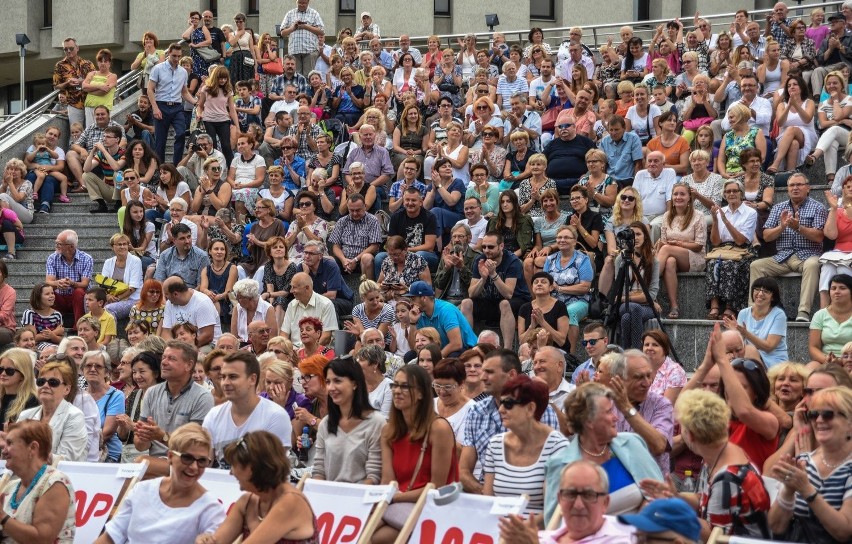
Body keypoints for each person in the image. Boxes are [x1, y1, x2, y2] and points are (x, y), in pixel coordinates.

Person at [641, 389, 771, 539]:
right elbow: (703, 499)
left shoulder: (727, 479)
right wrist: (674, 496)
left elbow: (713, 536)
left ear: (689, 435)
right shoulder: (721, 454)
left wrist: (671, 510)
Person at [543, 383, 664, 520]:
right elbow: (554, 525)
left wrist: (645, 512)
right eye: (608, 412)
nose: (615, 417)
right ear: (589, 420)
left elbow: (659, 494)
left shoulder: (632, 443)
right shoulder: (560, 465)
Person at [371, 365, 458, 543]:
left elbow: (437, 487)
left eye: (405, 387)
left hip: (431, 507)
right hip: (397, 504)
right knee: (361, 532)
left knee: (375, 539)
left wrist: (396, 497)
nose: (397, 391)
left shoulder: (438, 428)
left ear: (420, 394)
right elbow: (387, 481)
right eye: (394, 385)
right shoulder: (388, 430)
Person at [100, 423, 225, 543]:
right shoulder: (142, 490)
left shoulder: (210, 509)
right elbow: (111, 537)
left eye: (202, 461)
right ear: (170, 457)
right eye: (187, 458)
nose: (194, 467)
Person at [196, 430, 317, 544]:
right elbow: (217, 541)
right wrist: (206, 539)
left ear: (252, 468)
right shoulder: (247, 502)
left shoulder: (291, 502)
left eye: (234, 465)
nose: (231, 472)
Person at [767, 386, 852, 543]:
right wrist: (787, 491)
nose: (819, 420)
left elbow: (844, 531)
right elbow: (776, 527)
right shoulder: (803, 461)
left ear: (849, 422)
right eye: (813, 414)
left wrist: (807, 490)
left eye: (828, 414)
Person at [750, 173, 827, 322]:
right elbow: (766, 236)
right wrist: (782, 226)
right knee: (755, 265)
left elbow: (819, 236)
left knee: (813, 264)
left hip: (808, 255)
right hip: (782, 257)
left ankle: (803, 312)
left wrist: (798, 227)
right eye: (792, 185)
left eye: (799, 185)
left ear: (808, 188)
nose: (795, 188)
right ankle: (756, 309)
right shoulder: (779, 207)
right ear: (787, 189)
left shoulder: (818, 207)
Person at [133, 341, 214, 478]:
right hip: (157, 462)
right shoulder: (152, 392)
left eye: (171, 358)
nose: (164, 362)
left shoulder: (202, 397)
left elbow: (195, 449)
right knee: (137, 466)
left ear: (188, 365)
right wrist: (143, 436)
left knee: (140, 464)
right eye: (164, 357)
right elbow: (140, 447)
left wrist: (162, 436)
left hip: (188, 462)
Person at [201, 351, 291, 469]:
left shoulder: (276, 415)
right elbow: (204, 464)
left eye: (233, 377)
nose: (225, 383)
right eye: (223, 377)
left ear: (252, 379)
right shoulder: (213, 415)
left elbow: (273, 471)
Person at [310, 357, 385, 484]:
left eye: (337, 381)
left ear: (355, 383)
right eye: (328, 382)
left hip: (361, 498)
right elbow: (319, 470)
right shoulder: (325, 424)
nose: (331, 388)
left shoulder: (376, 422)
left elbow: (374, 475)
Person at [0, 420, 77, 543]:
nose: (3, 451)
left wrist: (2, 517)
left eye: (10, 443)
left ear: (33, 448)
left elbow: (42, 540)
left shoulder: (55, 483)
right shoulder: (11, 486)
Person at [461, 231, 531, 350]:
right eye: (484, 247)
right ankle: (468, 347)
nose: (486, 250)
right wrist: (483, 279)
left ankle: (507, 350)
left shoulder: (512, 261)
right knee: (466, 303)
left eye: (491, 247)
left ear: (501, 246)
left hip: (516, 301)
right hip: (491, 300)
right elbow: (472, 293)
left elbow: (508, 294)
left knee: (504, 303)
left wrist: (493, 274)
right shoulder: (480, 260)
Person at [705, 179, 759, 319]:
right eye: (728, 191)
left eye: (735, 191)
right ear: (724, 195)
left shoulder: (750, 213)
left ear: (741, 194)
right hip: (723, 249)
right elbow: (715, 242)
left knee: (731, 264)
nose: (731, 194)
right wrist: (716, 221)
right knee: (712, 263)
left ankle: (731, 306)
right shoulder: (720, 211)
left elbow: (741, 240)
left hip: (743, 250)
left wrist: (726, 221)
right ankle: (714, 305)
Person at [18, 361, 88, 461]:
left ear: (67, 389)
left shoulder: (74, 416)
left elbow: (66, 458)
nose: (45, 385)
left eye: (53, 382)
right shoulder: (25, 415)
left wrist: (28, 453)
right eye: (41, 382)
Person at [657, 182, 706, 318]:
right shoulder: (667, 216)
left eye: (682, 194)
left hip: (694, 257)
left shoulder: (698, 215)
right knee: (670, 262)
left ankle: (649, 286)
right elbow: (664, 241)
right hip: (673, 256)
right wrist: (667, 245)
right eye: (675, 194)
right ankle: (674, 306)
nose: (678, 197)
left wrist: (678, 244)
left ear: (689, 197)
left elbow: (699, 245)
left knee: (667, 249)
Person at [147, 43, 198, 164]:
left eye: (178, 56)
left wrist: (195, 102)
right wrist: (155, 108)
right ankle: (161, 169)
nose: (176, 59)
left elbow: (184, 92)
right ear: (168, 53)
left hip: (177, 107)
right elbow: (150, 89)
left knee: (181, 134)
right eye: (174, 56)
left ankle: (177, 166)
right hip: (161, 105)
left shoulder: (183, 72)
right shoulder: (158, 68)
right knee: (160, 141)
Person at [615, 222, 661, 349]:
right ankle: (637, 352)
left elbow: (652, 294)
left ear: (645, 236)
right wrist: (641, 297)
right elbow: (618, 291)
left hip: (647, 307)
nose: (635, 238)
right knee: (633, 309)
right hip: (626, 305)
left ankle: (628, 354)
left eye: (638, 234)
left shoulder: (653, 261)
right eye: (632, 235)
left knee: (626, 318)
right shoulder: (621, 259)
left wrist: (627, 297)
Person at [730, 277, 790, 367]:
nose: (760, 294)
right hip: (748, 358)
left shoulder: (779, 315)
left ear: (773, 297)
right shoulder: (743, 313)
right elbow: (739, 345)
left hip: (774, 361)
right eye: (757, 289)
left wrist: (746, 334)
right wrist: (734, 333)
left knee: (749, 350)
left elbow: (769, 347)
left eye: (766, 291)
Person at [767, 74, 817, 174]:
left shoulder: (809, 102)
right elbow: (780, 123)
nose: (792, 87)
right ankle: (790, 173)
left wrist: (796, 105)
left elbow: (807, 119)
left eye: (795, 84)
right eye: (789, 85)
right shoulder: (782, 104)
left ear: (801, 87)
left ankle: (776, 163)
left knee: (791, 129)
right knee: (794, 143)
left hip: (807, 135)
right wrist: (789, 106)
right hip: (785, 136)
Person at [329, 193, 383, 279]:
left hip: (361, 260)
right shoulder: (342, 221)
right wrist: (343, 260)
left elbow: (374, 246)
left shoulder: (373, 220)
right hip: (344, 260)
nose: (354, 213)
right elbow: (335, 246)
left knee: (367, 258)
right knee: (328, 260)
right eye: (351, 210)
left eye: (358, 210)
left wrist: (355, 260)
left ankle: (368, 289)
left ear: (365, 207)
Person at [45, 229, 92, 326]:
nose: (56, 246)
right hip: (60, 297)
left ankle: (79, 326)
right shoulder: (52, 258)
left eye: (59, 244)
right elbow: (48, 281)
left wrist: (72, 283)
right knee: (47, 291)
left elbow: (85, 284)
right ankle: (53, 325)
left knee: (79, 291)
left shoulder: (86, 258)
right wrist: (58, 283)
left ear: (71, 246)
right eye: (56, 243)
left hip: (79, 299)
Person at [279, 272, 338, 348]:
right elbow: (284, 334)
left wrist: (307, 352)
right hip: (294, 353)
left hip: (318, 352)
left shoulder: (326, 304)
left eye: (294, 287)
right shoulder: (291, 305)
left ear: (307, 288)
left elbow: (326, 337)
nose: (291, 291)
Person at [820, 182, 852, 307]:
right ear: (843, 190)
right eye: (848, 186)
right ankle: (823, 312)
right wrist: (833, 209)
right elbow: (830, 235)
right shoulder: (837, 211)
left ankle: (847, 311)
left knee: (843, 269)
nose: (851, 188)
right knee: (826, 269)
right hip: (838, 253)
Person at [633, 151, 676, 242]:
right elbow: (634, 197)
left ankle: (649, 252)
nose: (652, 164)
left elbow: (670, 198)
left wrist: (668, 217)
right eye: (650, 161)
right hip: (641, 214)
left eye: (656, 161)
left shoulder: (669, 173)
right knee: (635, 226)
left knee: (654, 226)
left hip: (660, 215)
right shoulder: (640, 175)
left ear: (663, 164)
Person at [810, 273, 852, 364]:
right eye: (833, 288)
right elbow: (813, 347)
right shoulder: (820, 315)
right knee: (809, 369)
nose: (837, 291)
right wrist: (828, 360)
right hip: (826, 360)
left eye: (842, 288)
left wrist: (841, 361)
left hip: (850, 360)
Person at [0, 348, 39, 424]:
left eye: (10, 371)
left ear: (23, 375)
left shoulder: (31, 401)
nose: (3, 374)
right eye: (0, 369)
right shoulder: (2, 397)